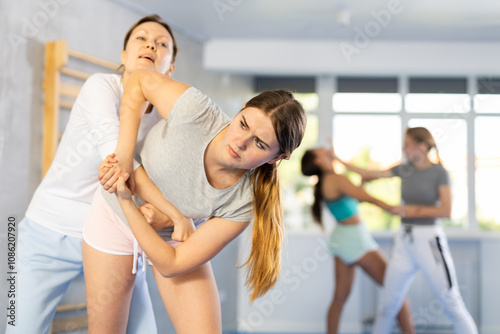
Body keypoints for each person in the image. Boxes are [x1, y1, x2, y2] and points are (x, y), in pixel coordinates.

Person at [81, 68, 307, 333]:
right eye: (243, 124)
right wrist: (124, 155)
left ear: (276, 158)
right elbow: (139, 80)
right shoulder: (197, 111)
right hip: (114, 219)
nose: (240, 142)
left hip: (173, 237)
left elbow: (172, 264)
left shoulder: (244, 201)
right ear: (241, 109)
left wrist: (131, 201)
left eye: (259, 143)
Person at [8, 15, 179, 334]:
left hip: (113, 235)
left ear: (170, 67)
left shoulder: (166, 121)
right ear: (124, 55)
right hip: (49, 231)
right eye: (140, 38)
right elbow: (115, 158)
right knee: (19, 328)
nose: (150, 45)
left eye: (161, 43)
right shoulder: (100, 86)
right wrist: (171, 212)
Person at [336, 127, 478, 334]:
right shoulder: (404, 169)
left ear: (421, 146)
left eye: (407, 144)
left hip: (429, 240)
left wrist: (412, 210)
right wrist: (337, 159)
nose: (404, 148)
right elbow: (369, 174)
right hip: (404, 240)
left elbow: (446, 211)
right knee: (387, 306)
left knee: (451, 303)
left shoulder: (439, 172)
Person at [301, 147, 415, 334]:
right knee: (396, 290)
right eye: (320, 150)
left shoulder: (331, 180)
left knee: (340, 297)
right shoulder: (335, 179)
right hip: (354, 239)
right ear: (318, 161)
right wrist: (391, 208)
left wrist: (362, 182)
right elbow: (366, 198)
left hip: (343, 238)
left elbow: (355, 199)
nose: (325, 149)